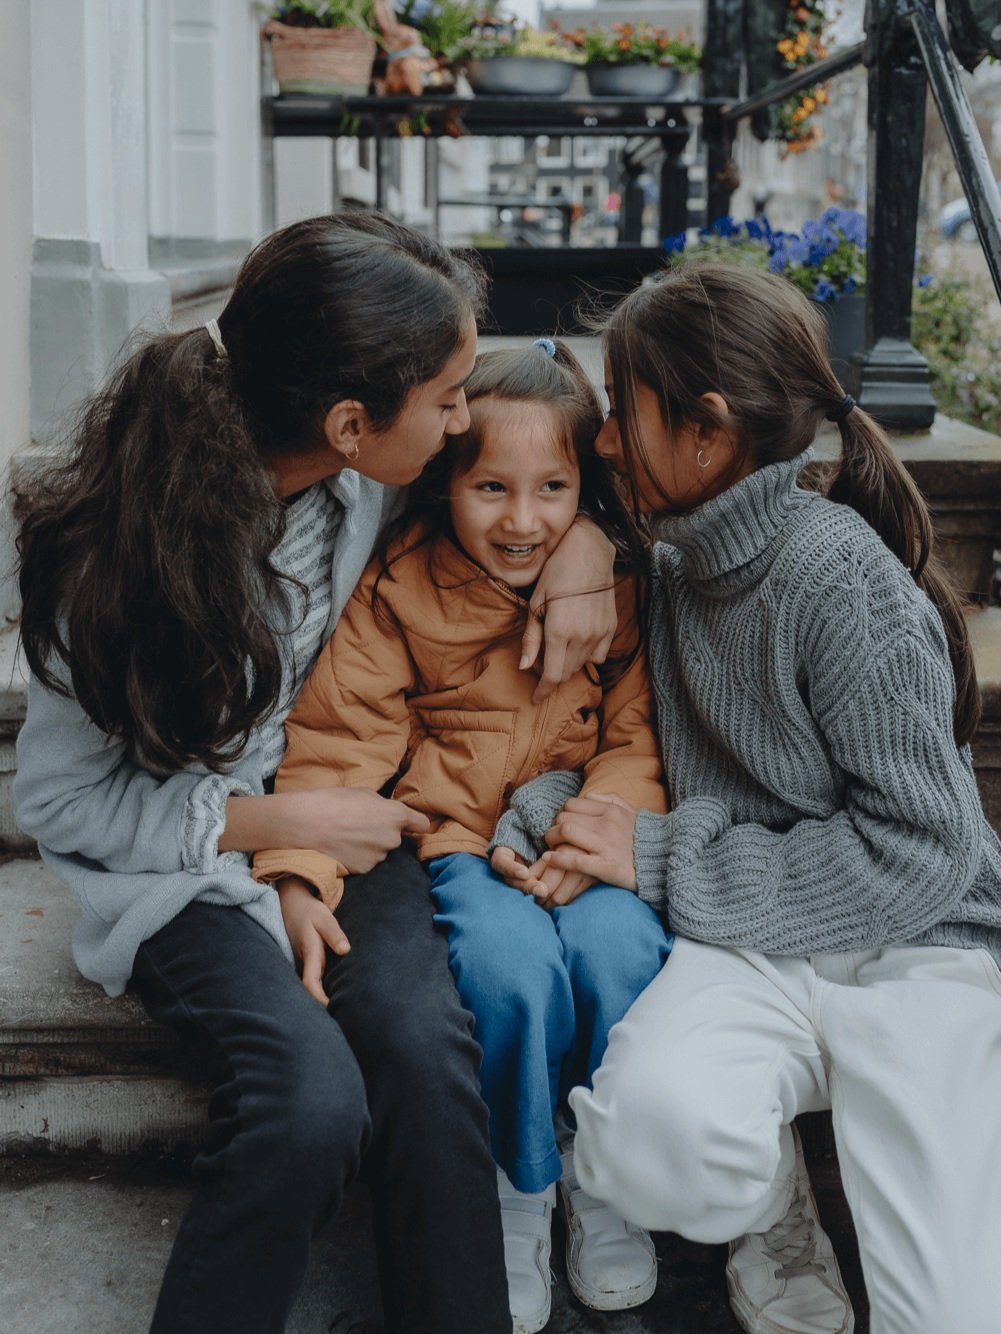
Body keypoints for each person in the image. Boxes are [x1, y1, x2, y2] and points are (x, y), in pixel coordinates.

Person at [12, 212, 623, 1334]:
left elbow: (544, 466)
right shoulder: (108, 548)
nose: (459, 421)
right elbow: (55, 801)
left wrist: (590, 547)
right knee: (306, 1101)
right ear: (350, 422)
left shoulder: (371, 478)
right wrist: (273, 824)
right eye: (445, 398)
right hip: (182, 862)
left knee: (424, 1048)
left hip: (347, 813)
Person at [509, 263, 1001, 1334]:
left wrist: (662, 857)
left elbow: (923, 848)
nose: (599, 442)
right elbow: (558, 501)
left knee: (949, 1315)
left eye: (620, 412)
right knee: (641, 1146)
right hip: (750, 945)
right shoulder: (673, 553)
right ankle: (770, 1201)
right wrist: (587, 545)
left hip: (911, 943)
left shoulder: (840, 581)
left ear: (709, 431)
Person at [252, 339, 673, 1334]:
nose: (521, 519)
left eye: (551, 489)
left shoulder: (618, 588)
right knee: (505, 972)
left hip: (591, 839)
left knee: (623, 952)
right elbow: (337, 741)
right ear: (448, 480)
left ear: (586, 489)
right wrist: (301, 869)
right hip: (464, 840)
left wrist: (600, 825)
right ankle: (519, 1181)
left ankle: (604, 1176)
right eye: (490, 485)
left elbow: (637, 735)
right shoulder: (401, 588)